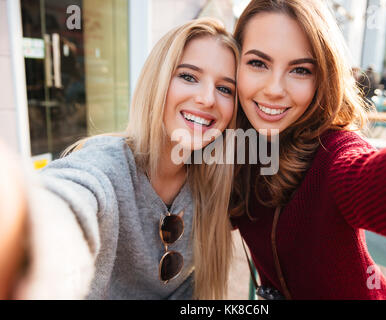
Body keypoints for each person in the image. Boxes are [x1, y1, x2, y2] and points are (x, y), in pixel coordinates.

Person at [0, 17, 238, 300]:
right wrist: (24, 230)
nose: (207, 99)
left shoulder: (217, 183)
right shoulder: (105, 167)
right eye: (188, 76)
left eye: (225, 89)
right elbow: (62, 205)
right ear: (157, 82)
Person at [229, 0, 386, 300]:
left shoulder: (334, 155)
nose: (274, 89)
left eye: (300, 70)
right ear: (235, 66)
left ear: (323, 77)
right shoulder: (237, 149)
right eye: (258, 63)